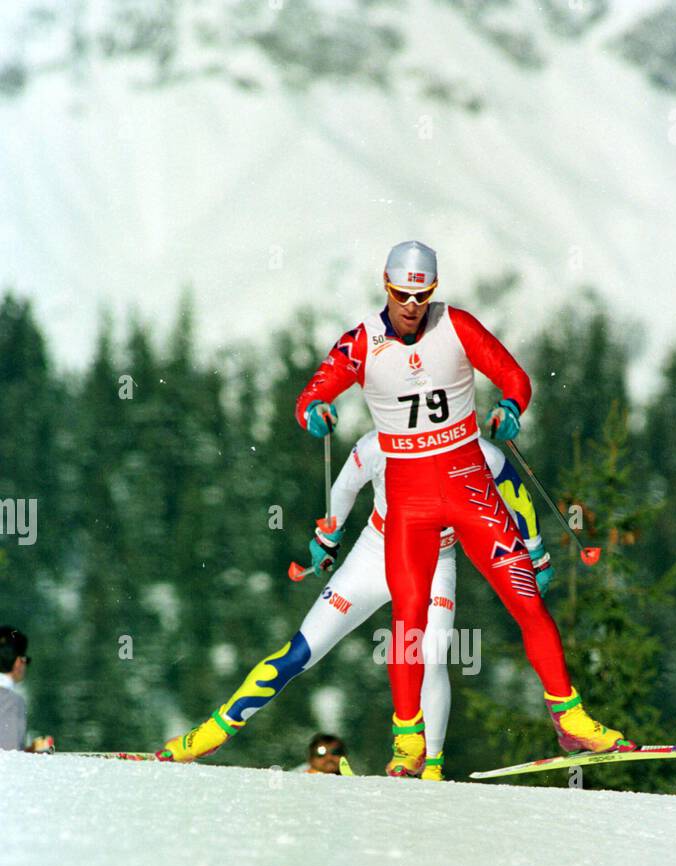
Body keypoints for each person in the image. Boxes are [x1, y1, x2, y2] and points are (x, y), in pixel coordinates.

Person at [295, 240, 632, 776]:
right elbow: (314, 391)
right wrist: (314, 409)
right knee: (409, 624)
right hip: (410, 508)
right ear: (387, 287)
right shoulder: (360, 342)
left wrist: (511, 408)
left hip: (472, 491)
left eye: (422, 294)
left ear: (433, 290)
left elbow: (515, 378)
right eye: (402, 294)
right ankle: (408, 743)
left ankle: (571, 720)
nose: (411, 305)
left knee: (528, 605)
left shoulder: (457, 325)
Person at [156, 432, 548, 780]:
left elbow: (518, 497)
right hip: (375, 556)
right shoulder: (379, 443)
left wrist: (537, 555)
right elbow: (343, 489)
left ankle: (430, 769)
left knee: (428, 657)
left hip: (435, 563)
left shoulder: (481, 453)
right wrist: (327, 540)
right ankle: (211, 733)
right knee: (301, 651)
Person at [0, 626, 54, 753]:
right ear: (19, 662)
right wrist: (35, 751)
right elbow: (9, 757)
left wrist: (29, 750)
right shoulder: (11, 701)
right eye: (26, 660)